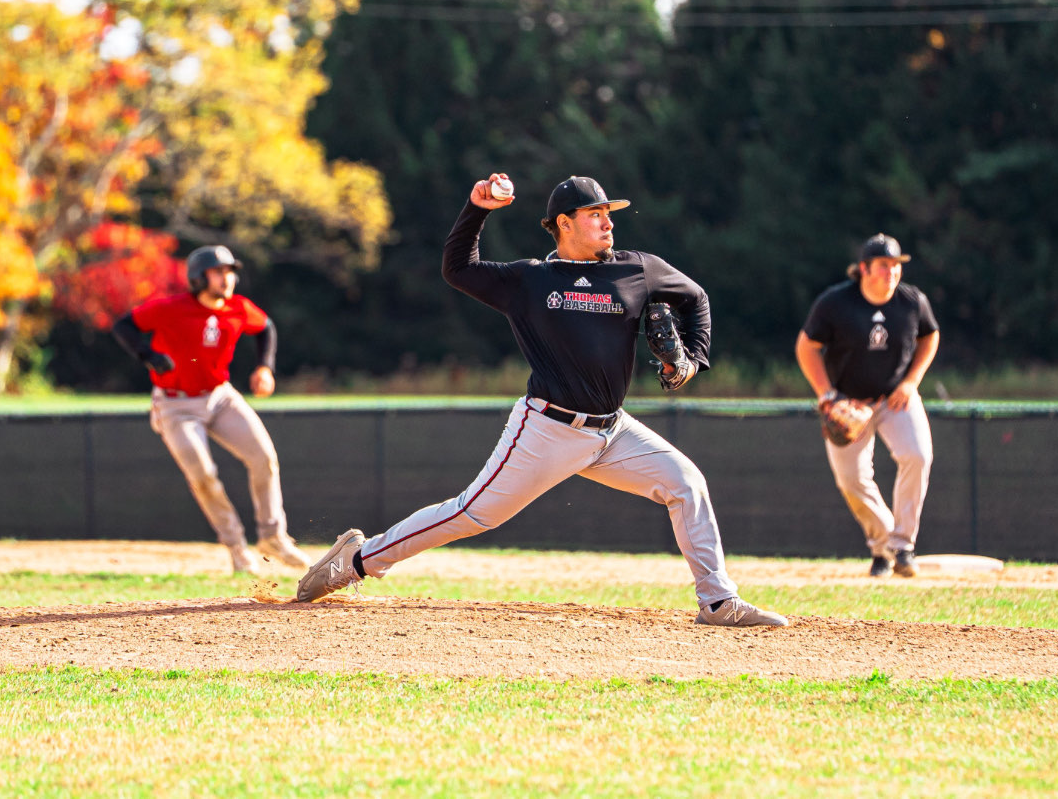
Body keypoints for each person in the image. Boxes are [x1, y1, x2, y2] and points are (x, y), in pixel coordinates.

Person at [297, 174, 788, 627]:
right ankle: (357, 560)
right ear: (563, 223)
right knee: (472, 514)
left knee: (686, 483)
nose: (608, 222)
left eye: (608, 213)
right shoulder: (530, 281)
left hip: (613, 431)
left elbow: (695, 298)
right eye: (595, 214)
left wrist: (691, 360)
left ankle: (717, 601)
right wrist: (477, 210)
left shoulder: (637, 268)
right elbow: (458, 269)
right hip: (547, 429)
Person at [112, 244, 308, 575]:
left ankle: (273, 538)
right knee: (203, 475)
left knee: (264, 458)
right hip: (175, 404)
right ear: (198, 278)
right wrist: (148, 356)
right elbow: (124, 326)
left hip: (220, 396)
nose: (226, 278)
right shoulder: (172, 308)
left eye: (230, 271)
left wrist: (265, 367)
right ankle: (236, 547)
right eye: (218, 272)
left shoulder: (237, 308)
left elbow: (265, 328)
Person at [795, 233, 940, 578]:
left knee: (918, 456)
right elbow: (806, 347)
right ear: (864, 269)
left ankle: (902, 546)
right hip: (847, 401)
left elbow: (930, 335)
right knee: (851, 480)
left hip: (895, 398)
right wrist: (826, 394)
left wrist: (911, 382)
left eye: (896, 265)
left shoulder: (912, 301)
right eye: (884, 265)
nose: (892, 272)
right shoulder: (836, 303)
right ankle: (884, 546)